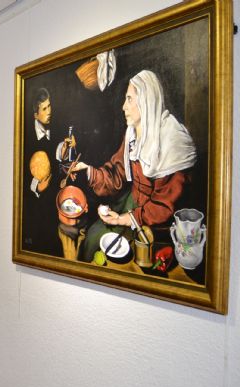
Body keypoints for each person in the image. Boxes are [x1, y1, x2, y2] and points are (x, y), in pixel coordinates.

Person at [72, 70, 197, 261]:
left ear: (146, 101)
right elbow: (117, 172)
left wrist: (123, 219)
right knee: (93, 237)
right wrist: (88, 171)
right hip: (133, 204)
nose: (124, 106)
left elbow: (163, 207)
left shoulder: (173, 144)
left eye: (129, 99)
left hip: (158, 223)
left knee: (114, 250)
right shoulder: (133, 134)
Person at [23, 88, 73, 256]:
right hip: (36, 203)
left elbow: (56, 152)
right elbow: (21, 173)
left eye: (49, 106)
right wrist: (37, 187)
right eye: (44, 109)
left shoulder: (55, 123)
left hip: (55, 194)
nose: (49, 111)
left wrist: (64, 149)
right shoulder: (27, 136)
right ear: (35, 115)